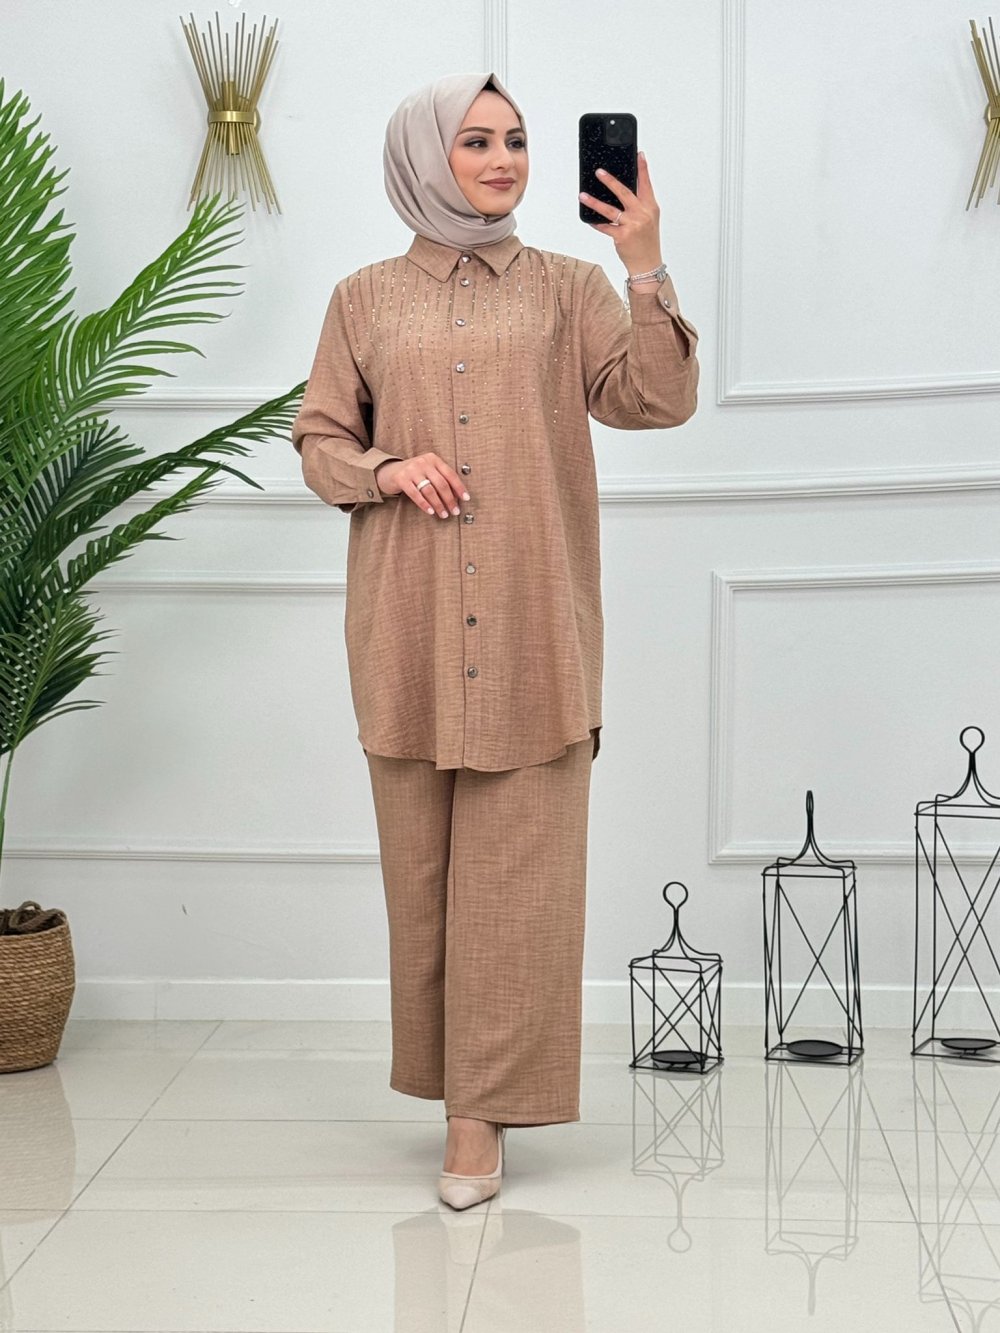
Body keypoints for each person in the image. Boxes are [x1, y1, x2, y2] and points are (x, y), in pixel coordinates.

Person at [291, 71, 699, 1210]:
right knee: (424, 883)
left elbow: (655, 401)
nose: (503, 160)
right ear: (426, 157)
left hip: (533, 630)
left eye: (515, 140)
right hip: (409, 632)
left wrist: (644, 263)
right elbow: (318, 441)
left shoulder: (570, 288)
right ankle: (456, 1094)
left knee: (521, 888)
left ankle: (479, 1123)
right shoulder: (364, 298)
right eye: (475, 141)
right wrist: (386, 468)